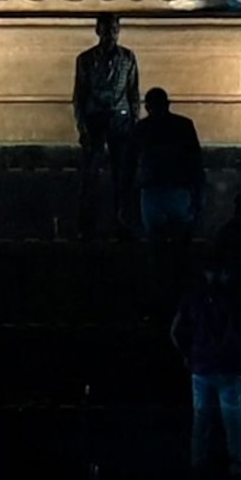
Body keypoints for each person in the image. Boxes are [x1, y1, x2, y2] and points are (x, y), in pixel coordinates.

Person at [169, 265, 241, 479]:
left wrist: (187, 355)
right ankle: (237, 466)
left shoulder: (193, 296)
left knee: (201, 419)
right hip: (230, 366)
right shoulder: (236, 296)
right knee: (233, 419)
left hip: (202, 365)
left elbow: (175, 331)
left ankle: (198, 464)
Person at [73, 15, 143, 239]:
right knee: (90, 176)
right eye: (106, 30)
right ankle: (86, 224)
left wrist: (134, 122)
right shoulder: (85, 59)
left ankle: (121, 220)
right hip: (94, 118)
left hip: (120, 120)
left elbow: (133, 92)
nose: (110, 35)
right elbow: (79, 94)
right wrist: (82, 127)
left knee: (121, 176)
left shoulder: (128, 58)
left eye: (114, 30)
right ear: (97, 31)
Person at [137, 87, 205, 293]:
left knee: (156, 249)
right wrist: (198, 194)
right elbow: (196, 162)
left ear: (147, 107)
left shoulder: (142, 128)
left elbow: (129, 163)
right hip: (179, 190)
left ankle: (159, 290)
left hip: (153, 192)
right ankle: (180, 288)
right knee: (181, 246)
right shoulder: (183, 126)